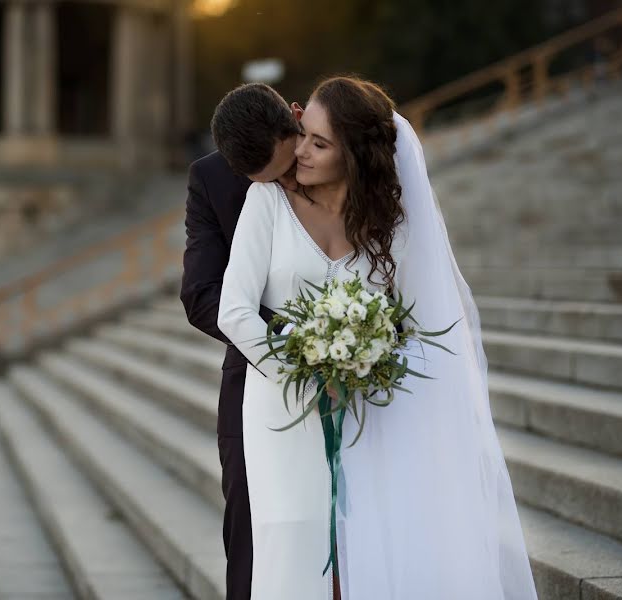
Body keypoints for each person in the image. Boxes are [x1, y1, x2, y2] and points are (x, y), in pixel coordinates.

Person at [217, 76, 538, 599]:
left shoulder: (392, 219)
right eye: (304, 134)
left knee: (371, 548)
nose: (300, 150)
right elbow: (233, 311)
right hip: (284, 410)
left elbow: (415, 321)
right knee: (294, 547)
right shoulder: (266, 201)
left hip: (372, 410)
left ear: (356, 155)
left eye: (319, 143)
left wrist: (369, 362)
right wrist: (307, 369)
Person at [179, 83, 302, 599]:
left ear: (295, 121)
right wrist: (298, 343)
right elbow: (201, 295)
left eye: (286, 169)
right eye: (262, 181)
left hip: (354, 381)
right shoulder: (210, 179)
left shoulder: (334, 151)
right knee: (252, 540)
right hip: (255, 377)